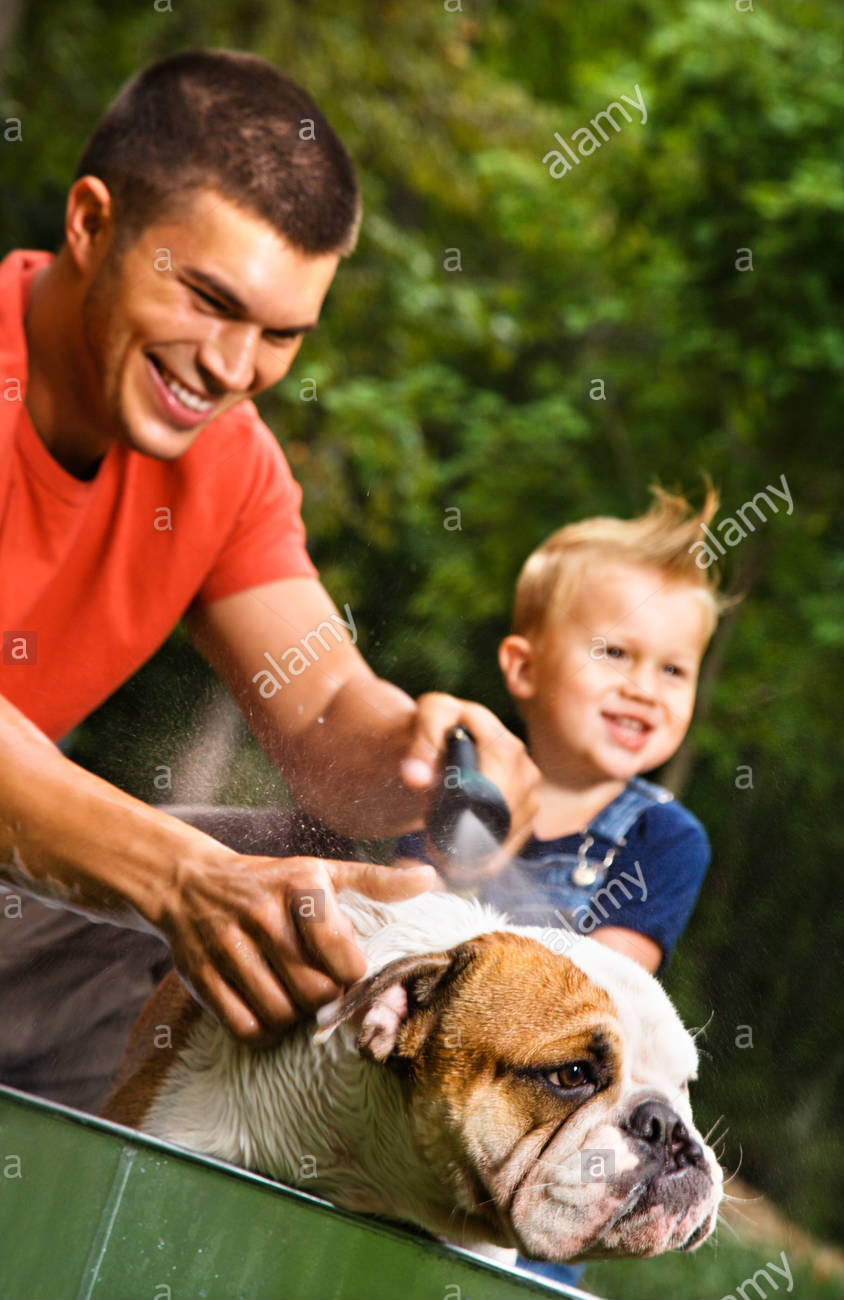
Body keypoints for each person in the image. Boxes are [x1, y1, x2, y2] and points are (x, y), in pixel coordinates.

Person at [0, 49, 537, 1114]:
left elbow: (330, 714)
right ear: (91, 222)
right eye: (207, 298)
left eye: (283, 333)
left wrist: (430, 761)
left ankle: (98, 1212)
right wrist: (173, 875)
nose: (234, 366)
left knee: (316, 871)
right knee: (207, 883)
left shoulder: (227, 464)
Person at [399, 486, 726, 975]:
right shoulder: (460, 781)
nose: (645, 689)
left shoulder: (663, 838)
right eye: (615, 654)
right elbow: (402, 916)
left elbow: (605, 988)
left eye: (673, 671)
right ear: (525, 668)